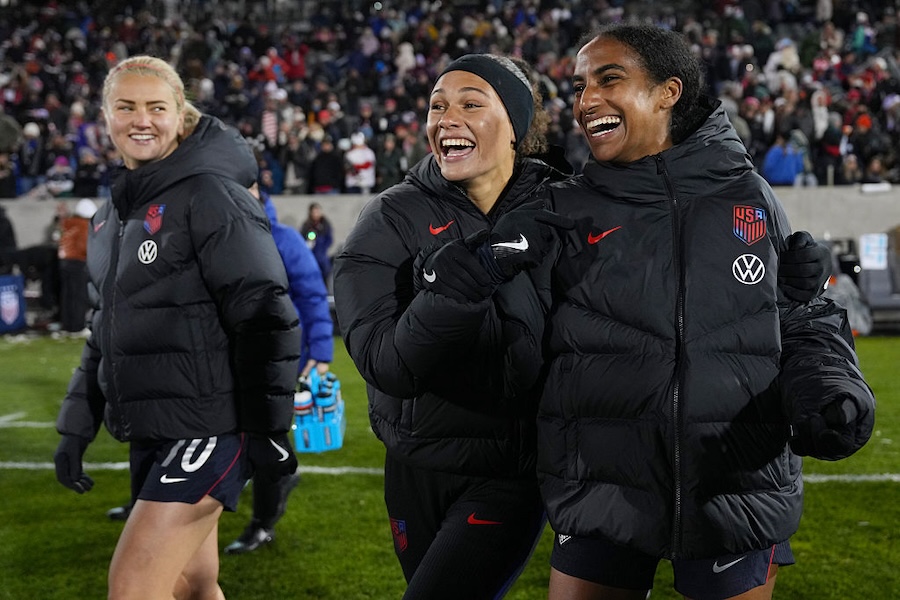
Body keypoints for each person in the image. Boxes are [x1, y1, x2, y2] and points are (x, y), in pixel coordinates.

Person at [537, 24, 876, 600]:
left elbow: (801, 320)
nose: (586, 99)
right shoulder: (565, 207)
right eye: (578, 86)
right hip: (601, 481)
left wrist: (831, 391)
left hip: (735, 483)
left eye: (608, 78)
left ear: (669, 91)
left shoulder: (747, 195)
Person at [53, 55, 301, 600]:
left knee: (134, 585)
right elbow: (105, 331)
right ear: (105, 116)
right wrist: (77, 426)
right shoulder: (107, 218)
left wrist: (269, 429)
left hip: (211, 424)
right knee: (194, 583)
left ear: (179, 116)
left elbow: (265, 311)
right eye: (126, 107)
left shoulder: (211, 194)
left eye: (156, 107)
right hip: (154, 426)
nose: (141, 119)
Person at [333, 53, 574, 599]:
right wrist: (469, 277)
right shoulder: (390, 217)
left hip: (510, 471)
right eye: (437, 106)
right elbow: (385, 365)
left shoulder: (566, 208)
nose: (447, 118)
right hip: (414, 468)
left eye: (470, 103)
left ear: (514, 126)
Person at [224, 181, 336, 554]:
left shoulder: (284, 239)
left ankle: (262, 521)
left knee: (268, 441)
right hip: (232, 359)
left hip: (279, 357)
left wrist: (320, 351)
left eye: (247, 185)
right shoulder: (218, 234)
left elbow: (312, 295)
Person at [56, 198, 96, 334]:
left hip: (64, 262)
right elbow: (83, 247)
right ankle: (77, 326)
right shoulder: (84, 225)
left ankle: (67, 325)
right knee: (79, 295)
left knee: (67, 295)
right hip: (78, 262)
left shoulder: (68, 223)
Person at [300, 202, 334, 285]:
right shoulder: (306, 225)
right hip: (311, 256)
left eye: (318, 211)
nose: (316, 214)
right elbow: (302, 239)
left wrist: (322, 246)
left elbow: (329, 239)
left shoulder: (325, 224)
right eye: (314, 212)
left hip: (322, 256)